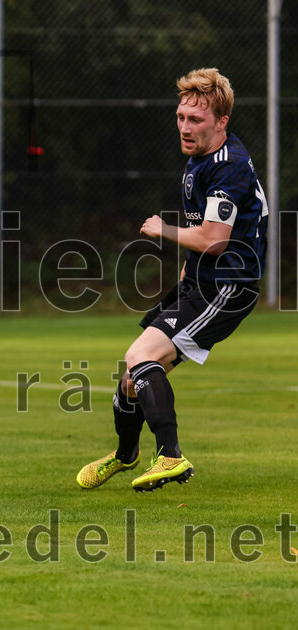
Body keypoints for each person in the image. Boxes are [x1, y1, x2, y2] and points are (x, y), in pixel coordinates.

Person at [76, 68, 267, 492]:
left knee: (139, 354)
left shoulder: (229, 167)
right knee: (134, 379)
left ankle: (171, 456)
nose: (184, 126)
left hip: (227, 288)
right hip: (199, 284)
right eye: (181, 116)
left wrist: (163, 229)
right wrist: (184, 272)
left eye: (195, 120)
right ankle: (126, 456)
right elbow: (203, 231)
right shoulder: (198, 161)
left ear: (221, 122)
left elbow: (215, 241)